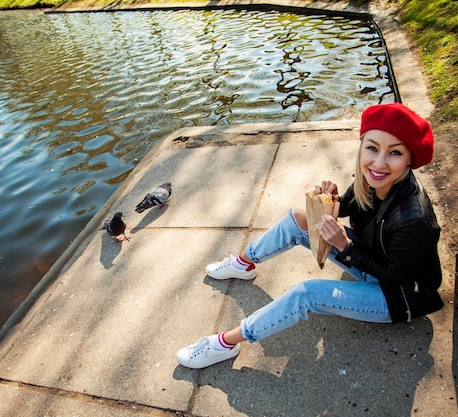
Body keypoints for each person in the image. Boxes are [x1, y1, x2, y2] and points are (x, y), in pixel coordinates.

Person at [176, 103, 444, 369]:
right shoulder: (373, 179)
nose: (379, 162)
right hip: (374, 258)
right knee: (300, 218)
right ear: (362, 145)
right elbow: (350, 208)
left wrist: (345, 246)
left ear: (410, 159)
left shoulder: (413, 218)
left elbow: (395, 276)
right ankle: (244, 262)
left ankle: (224, 344)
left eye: (394, 153)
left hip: (403, 294)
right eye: (372, 148)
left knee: (306, 293)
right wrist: (331, 199)